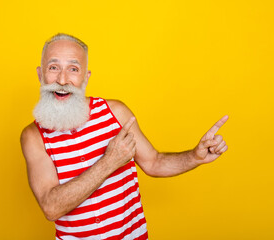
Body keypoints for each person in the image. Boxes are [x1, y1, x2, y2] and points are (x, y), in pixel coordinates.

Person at [20, 33, 229, 240]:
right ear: (40, 74)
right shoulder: (33, 136)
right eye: (53, 67)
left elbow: (154, 163)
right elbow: (51, 207)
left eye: (73, 69)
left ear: (85, 77)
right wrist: (110, 161)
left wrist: (195, 157)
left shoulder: (115, 113)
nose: (63, 80)